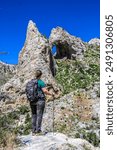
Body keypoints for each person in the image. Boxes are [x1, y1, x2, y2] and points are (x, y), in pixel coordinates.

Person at [30, 70, 54, 134]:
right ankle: (38, 130)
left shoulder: (31, 82)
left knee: (34, 115)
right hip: (40, 100)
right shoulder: (41, 82)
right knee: (39, 115)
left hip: (32, 101)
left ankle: (33, 131)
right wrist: (51, 94)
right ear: (41, 75)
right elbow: (45, 91)